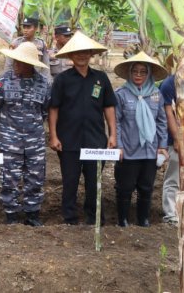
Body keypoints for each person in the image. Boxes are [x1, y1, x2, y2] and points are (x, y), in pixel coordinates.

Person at [48, 31, 116, 225]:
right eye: (77, 52)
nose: (82, 55)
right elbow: (54, 109)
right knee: (70, 181)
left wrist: (113, 135)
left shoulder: (101, 78)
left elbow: (109, 107)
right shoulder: (62, 80)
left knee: (95, 183)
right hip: (68, 140)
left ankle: (94, 218)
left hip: (95, 140)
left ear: (91, 54)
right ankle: (69, 218)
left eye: (86, 52)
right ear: (70, 55)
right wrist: (53, 136)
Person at [0, 42, 51, 226]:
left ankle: (32, 215)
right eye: (15, 60)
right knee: (8, 180)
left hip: (34, 140)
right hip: (9, 140)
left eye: (21, 61)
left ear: (31, 63)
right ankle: (11, 215)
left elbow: (44, 111)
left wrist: (31, 128)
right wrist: (4, 129)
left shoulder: (44, 83)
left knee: (35, 179)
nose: (16, 64)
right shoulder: (2, 81)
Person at [113, 52, 168, 227]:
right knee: (125, 188)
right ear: (129, 73)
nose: (138, 75)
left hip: (149, 151)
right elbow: (116, 122)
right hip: (128, 151)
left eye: (143, 72)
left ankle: (143, 219)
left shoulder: (156, 94)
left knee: (146, 187)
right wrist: (119, 146)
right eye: (135, 71)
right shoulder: (121, 94)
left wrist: (162, 146)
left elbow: (161, 121)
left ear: (149, 74)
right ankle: (122, 220)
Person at [160, 68, 180, 225]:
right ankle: (171, 215)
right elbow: (168, 114)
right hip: (178, 138)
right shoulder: (169, 84)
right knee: (174, 177)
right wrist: (177, 139)